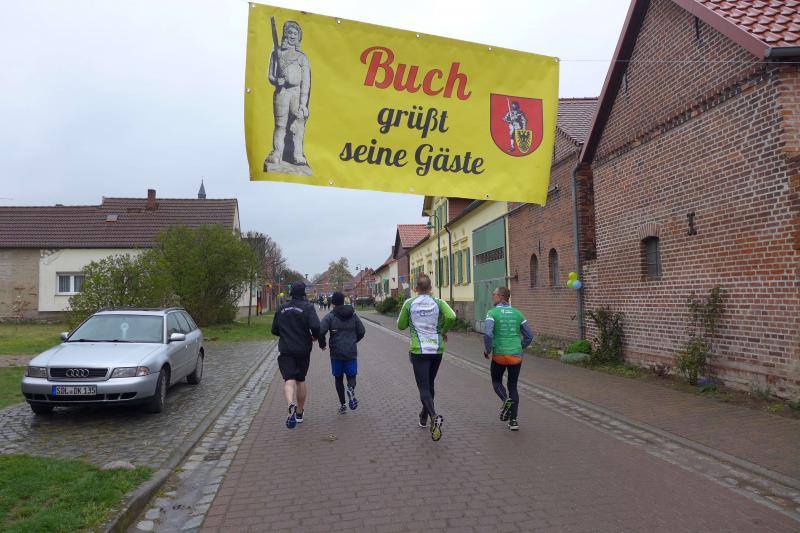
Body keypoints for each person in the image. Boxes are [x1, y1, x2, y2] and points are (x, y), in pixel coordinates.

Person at [397, 273, 455, 442]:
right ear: (431, 288)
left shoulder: (409, 303)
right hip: (436, 349)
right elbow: (452, 316)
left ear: (416, 288)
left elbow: (400, 325)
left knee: (424, 387)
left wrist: (412, 320)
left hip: (419, 350)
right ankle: (424, 416)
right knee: (430, 384)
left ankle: (433, 416)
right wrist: (443, 330)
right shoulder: (439, 302)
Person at [483, 286, 533, 431]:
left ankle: (506, 401)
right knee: (513, 386)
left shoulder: (492, 313)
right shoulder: (518, 314)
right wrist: (520, 346)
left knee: (496, 381)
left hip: (499, 355)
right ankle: (513, 421)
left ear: (501, 297)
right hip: (515, 356)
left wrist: (488, 350)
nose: (492, 296)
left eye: (494, 294)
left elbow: (488, 334)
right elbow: (529, 336)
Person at [271, 281, 320, 429]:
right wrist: (315, 336)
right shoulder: (308, 307)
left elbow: (274, 330)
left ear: (291, 293)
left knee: (289, 380)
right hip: (303, 349)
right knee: (300, 380)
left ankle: (290, 403)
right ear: (303, 293)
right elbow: (316, 326)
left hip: (286, 349)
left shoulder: (281, 308)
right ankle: (299, 412)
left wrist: (285, 333)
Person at [318, 292, 366, 414]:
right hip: (350, 351)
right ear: (343, 301)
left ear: (333, 303)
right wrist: (354, 341)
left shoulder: (330, 316)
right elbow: (362, 331)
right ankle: (350, 388)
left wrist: (322, 345)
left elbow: (320, 331)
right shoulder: (353, 315)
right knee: (352, 376)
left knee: (338, 378)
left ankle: (343, 405)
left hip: (336, 353)